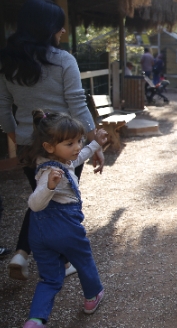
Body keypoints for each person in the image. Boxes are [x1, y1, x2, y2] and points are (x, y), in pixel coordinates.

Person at [0, 0, 105, 281]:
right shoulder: (63, 61)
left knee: (41, 197)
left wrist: (18, 137)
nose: (62, 32)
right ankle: (62, 260)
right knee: (61, 201)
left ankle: (22, 253)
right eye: (60, 26)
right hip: (65, 142)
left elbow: (3, 107)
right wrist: (95, 139)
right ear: (47, 27)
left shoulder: (8, 62)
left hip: (27, 144)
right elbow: (77, 105)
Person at [20, 110, 107, 328]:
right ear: (49, 146)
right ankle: (92, 297)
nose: (77, 147)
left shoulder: (55, 158)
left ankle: (35, 319)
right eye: (70, 143)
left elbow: (78, 157)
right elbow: (34, 204)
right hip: (63, 226)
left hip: (39, 233)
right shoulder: (49, 172)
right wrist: (49, 186)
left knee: (49, 278)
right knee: (84, 259)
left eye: (78, 140)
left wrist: (94, 144)